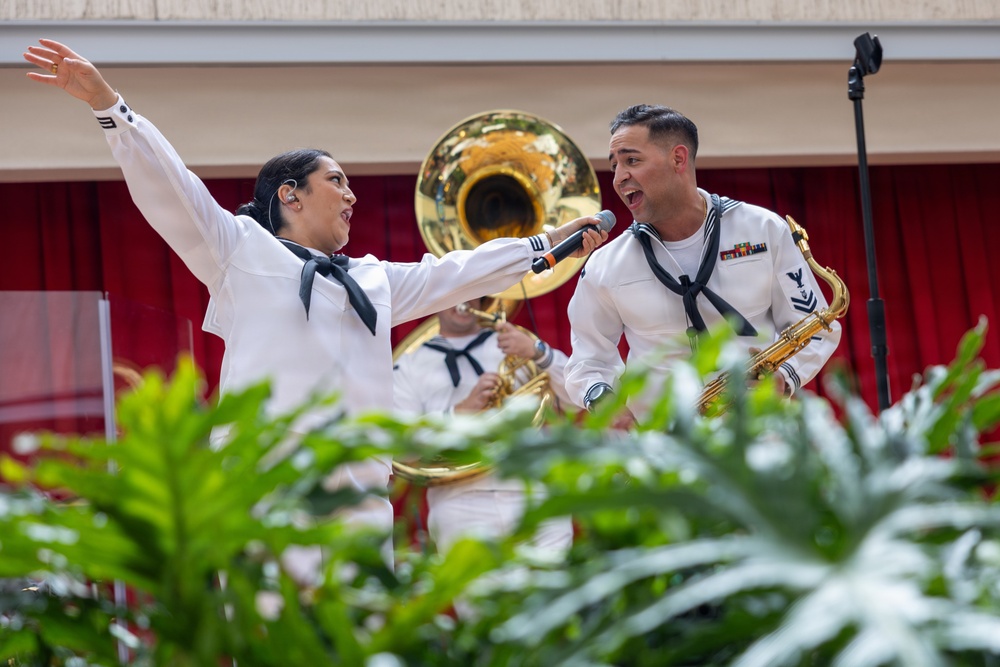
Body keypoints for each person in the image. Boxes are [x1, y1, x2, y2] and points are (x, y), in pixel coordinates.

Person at [22, 40, 606, 564]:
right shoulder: (240, 251)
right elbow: (174, 192)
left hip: (362, 512)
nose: (352, 195)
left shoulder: (374, 281)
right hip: (267, 503)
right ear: (289, 195)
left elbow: (453, 273)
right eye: (338, 181)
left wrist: (547, 244)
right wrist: (111, 108)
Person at [564, 104, 841, 429]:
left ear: (678, 159)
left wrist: (784, 378)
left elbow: (817, 325)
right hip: (660, 450)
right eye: (614, 166)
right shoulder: (606, 263)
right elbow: (588, 360)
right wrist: (603, 399)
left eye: (631, 160)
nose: (619, 177)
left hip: (760, 441)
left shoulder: (763, 229)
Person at [393, 297, 574, 556]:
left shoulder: (515, 342)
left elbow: (578, 400)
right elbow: (401, 449)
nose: (464, 298)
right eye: (456, 290)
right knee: (480, 597)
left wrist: (539, 352)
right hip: (459, 502)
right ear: (436, 295)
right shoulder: (408, 366)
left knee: (554, 593)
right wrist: (463, 411)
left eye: (472, 287)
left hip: (535, 490)